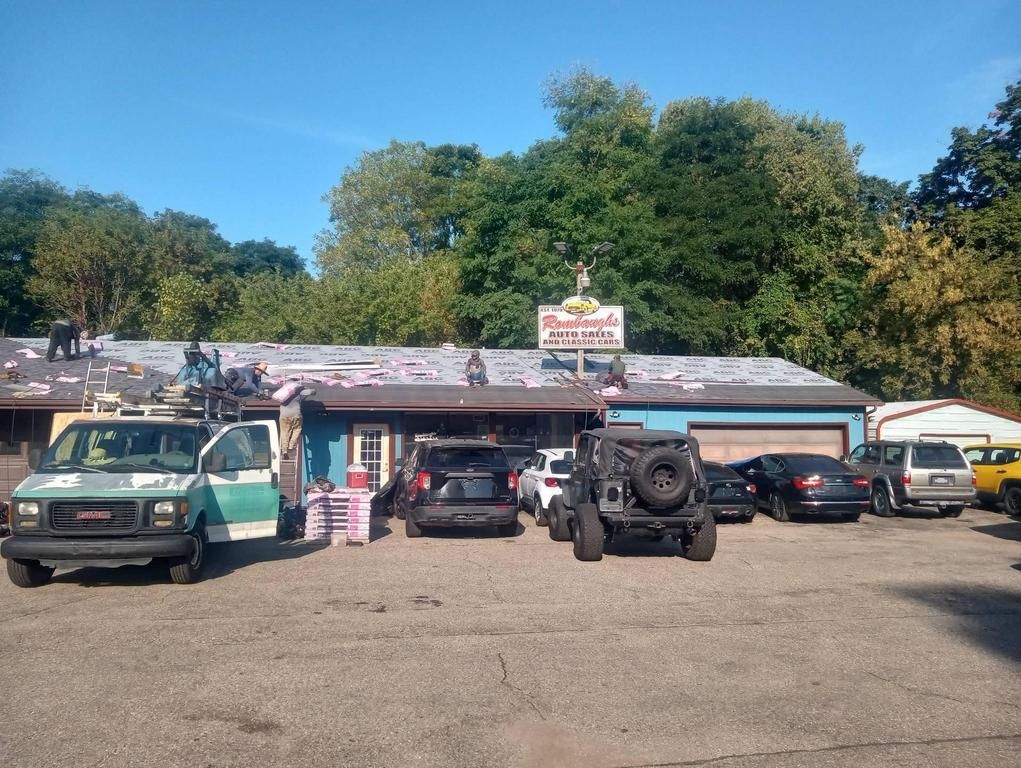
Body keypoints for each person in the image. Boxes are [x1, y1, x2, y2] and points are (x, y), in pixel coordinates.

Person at [279, 386, 316, 460]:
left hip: (284, 415)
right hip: (296, 414)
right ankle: (291, 446)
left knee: (284, 432)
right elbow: (313, 391)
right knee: (297, 429)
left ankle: (284, 450)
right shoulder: (299, 395)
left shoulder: (281, 396)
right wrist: (305, 388)